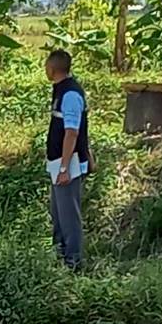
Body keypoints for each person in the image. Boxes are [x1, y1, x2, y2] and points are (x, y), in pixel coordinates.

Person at [45, 49, 91, 270]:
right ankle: (59, 256)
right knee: (57, 214)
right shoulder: (61, 91)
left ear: (51, 68)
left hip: (67, 164)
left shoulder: (70, 94)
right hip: (59, 164)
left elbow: (72, 133)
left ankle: (73, 262)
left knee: (68, 217)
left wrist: (65, 168)